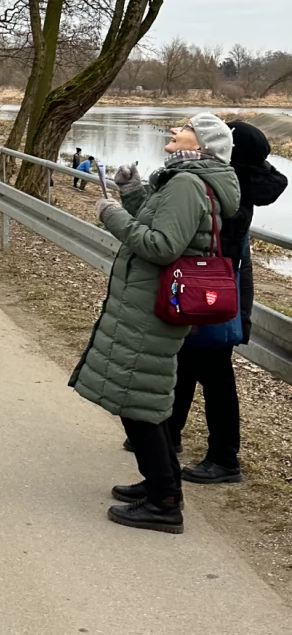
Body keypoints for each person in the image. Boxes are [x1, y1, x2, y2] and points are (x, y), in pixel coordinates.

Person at [71, 113, 239, 534]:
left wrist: (110, 214)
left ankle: (165, 502)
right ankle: (158, 483)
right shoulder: (184, 177)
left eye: (183, 128)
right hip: (147, 302)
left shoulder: (186, 183)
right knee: (142, 394)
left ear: (200, 143)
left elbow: (162, 246)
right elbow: (159, 225)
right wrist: (131, 193)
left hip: (152, 306)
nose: (173, 130)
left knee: (140, 397)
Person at [123, 122, 288, 483]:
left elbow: (196, 241)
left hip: (212, 292)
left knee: (215, 376)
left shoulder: (231, 189)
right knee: (186, 363)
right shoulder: (228, 182)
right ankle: (171, 436)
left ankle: (225, 459)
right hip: (212, 288)